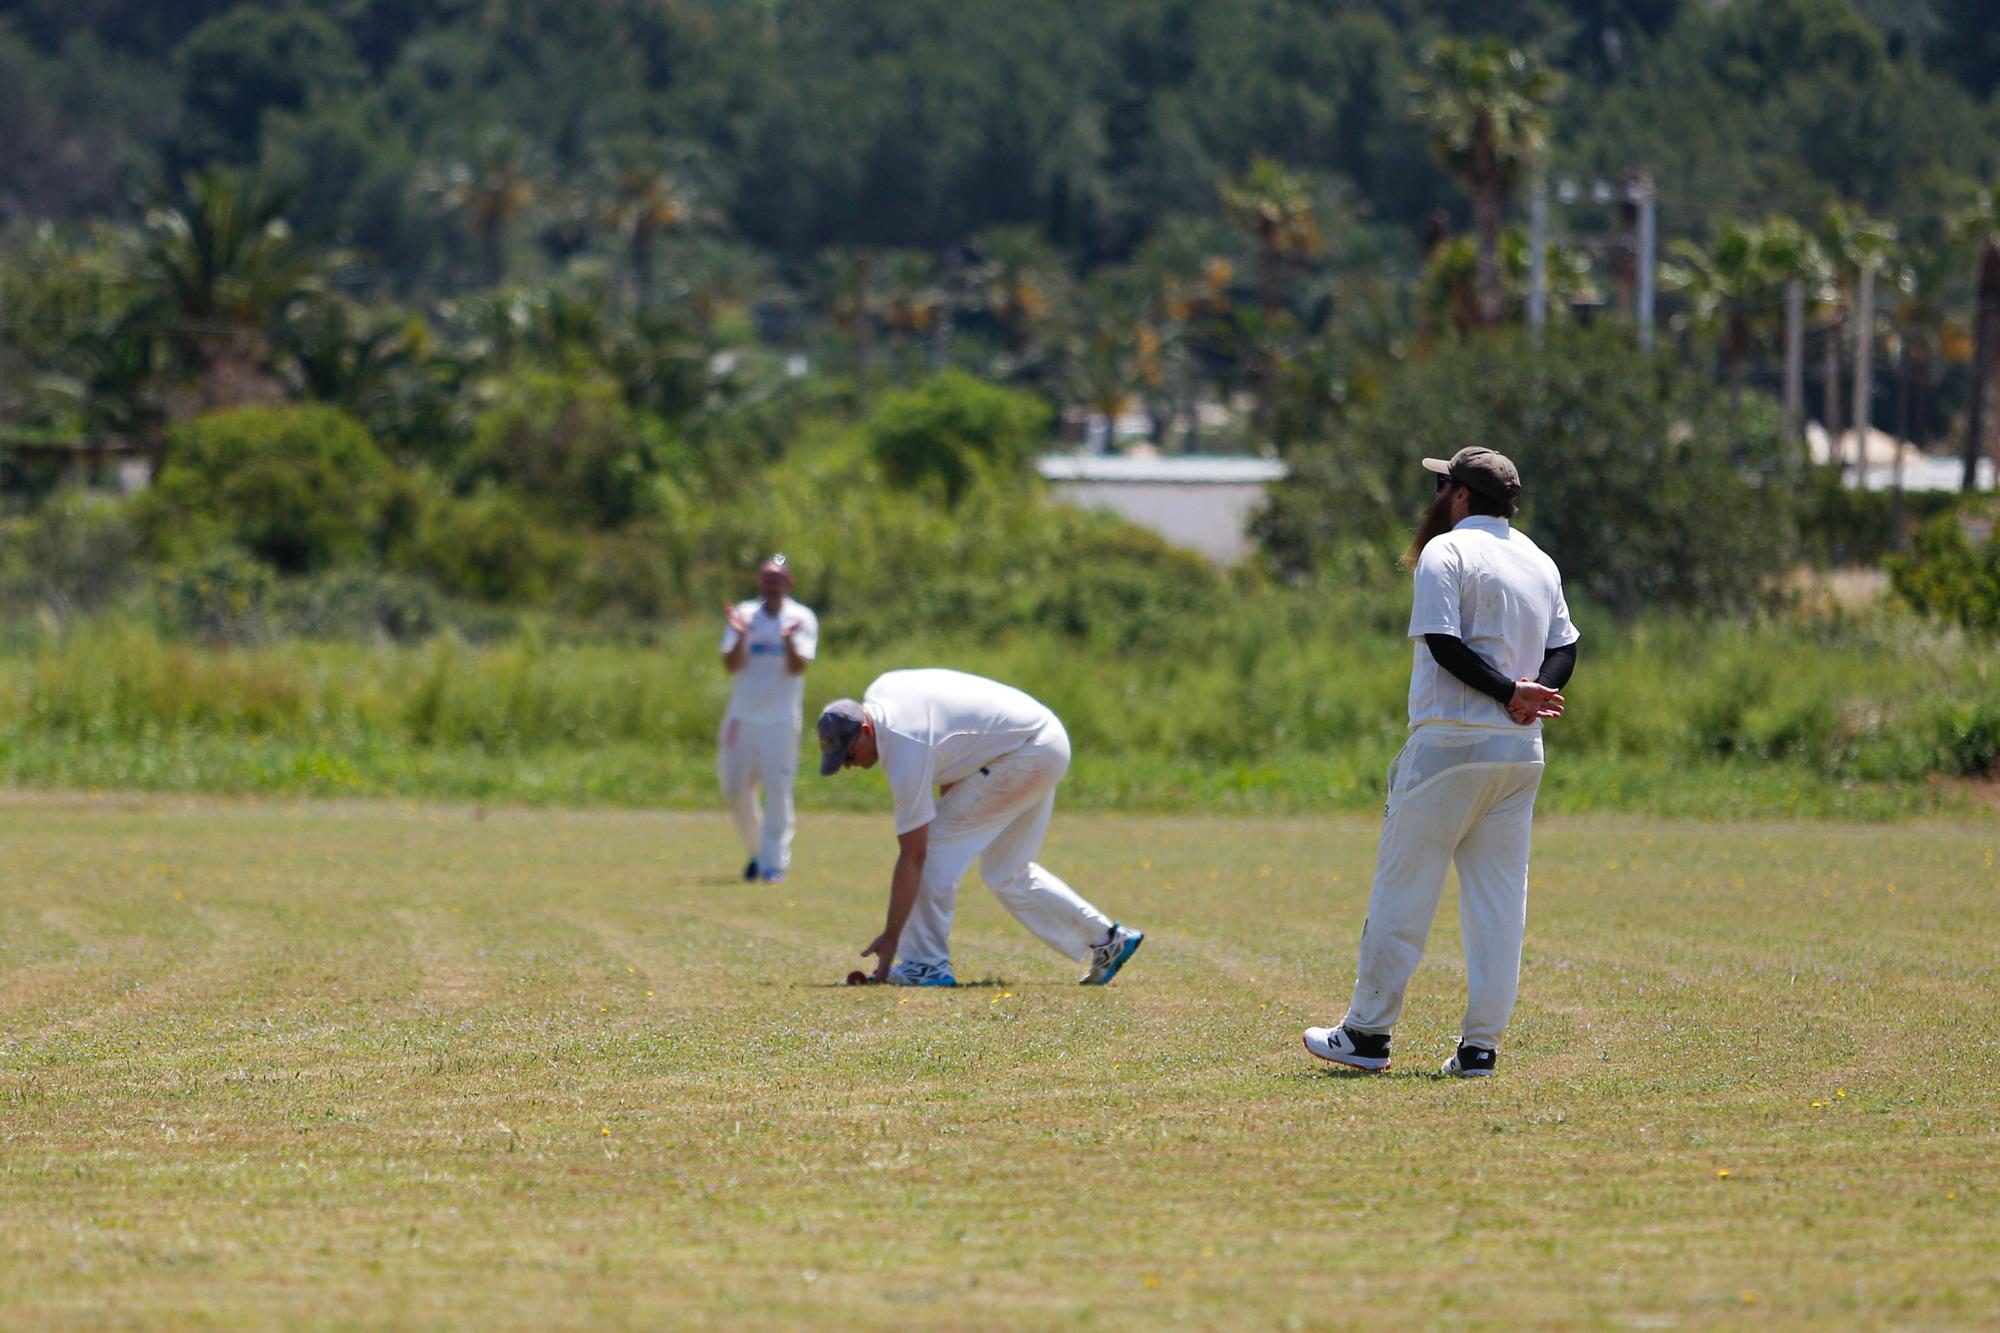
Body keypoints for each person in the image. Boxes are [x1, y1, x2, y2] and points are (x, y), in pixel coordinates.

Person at [1304, 446, 1578, 1078]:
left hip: (1449, 745)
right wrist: (1531, 694)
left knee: (1403, 891)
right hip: (1518, 753)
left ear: (1458, 495)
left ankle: (1367, 1034)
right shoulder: (1539, 559)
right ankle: (1480, 1046)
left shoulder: (1446, 550)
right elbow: (1564, 646)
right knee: (1500, 905)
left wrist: (1511, 691)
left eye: (1440, 488)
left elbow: (1443, 643)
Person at [815, 668, 1144, 987]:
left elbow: (914, 855)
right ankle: (1107, 939)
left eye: (849, 753)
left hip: (1023, 751)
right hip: (1043, 740)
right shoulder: (881, 691)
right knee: (1006, 870)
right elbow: (954, 742)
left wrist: (891, 935)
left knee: (932, 852)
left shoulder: (904, 749)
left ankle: (925, 965)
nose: (847, 765)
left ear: (867, 732)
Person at [719, 554, 818, 884]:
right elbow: (730, 665)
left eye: (777, 579)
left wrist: (787, 640)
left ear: (788, 584)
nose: (770, 586)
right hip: (742, 718)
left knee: (778, 791)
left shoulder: (801, 617)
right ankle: (758, 852)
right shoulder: (744, 615)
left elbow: (798, 667)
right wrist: (743, 634)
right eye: (766, 579)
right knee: (735, 790)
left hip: (780, 721)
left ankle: (774, 864)